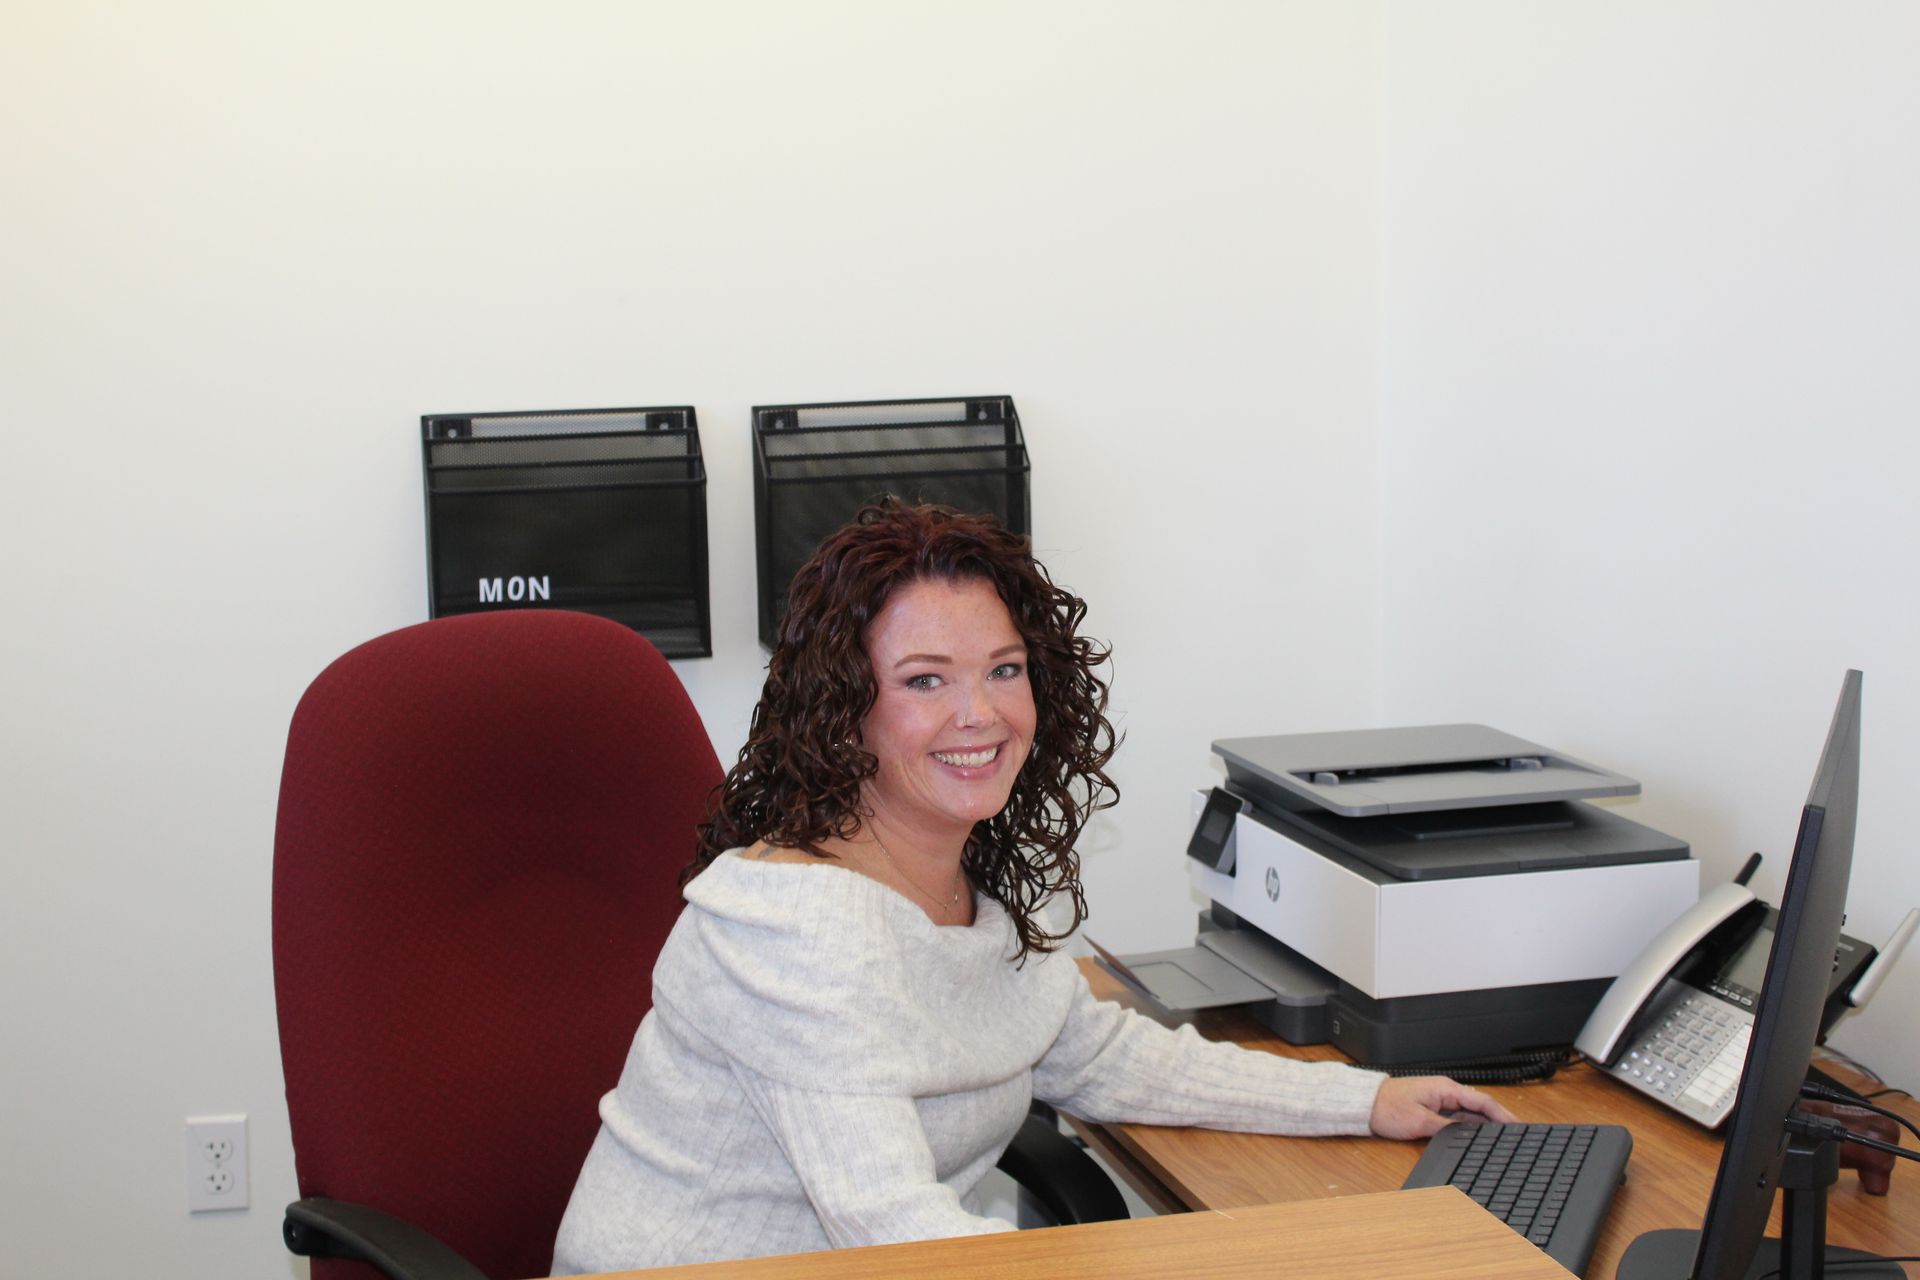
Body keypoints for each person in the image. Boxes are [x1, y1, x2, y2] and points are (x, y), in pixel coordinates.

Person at [551, 499, 1515, 1273]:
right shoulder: (793, 929)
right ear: (846, 714)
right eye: (925, 680)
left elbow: (1106, 1060)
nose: (979, 714)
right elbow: (893, 1227)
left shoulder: (969, 887)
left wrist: (1366, 1101)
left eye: (1003, 670)